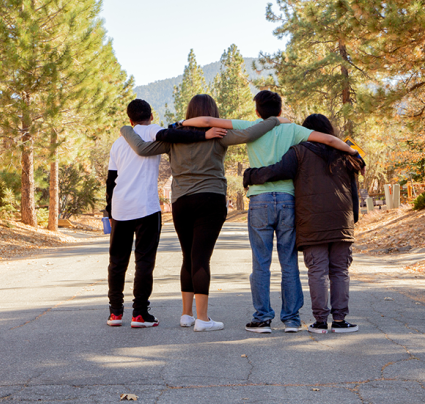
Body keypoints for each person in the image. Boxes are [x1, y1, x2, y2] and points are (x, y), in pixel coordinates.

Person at [177, 91, 357, 334]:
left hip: (259, 200)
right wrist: (354, 153)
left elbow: (208, 121)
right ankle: (291, 319)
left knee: (260, 263)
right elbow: (328, 140)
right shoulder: (293, 129)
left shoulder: (252, 126)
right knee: (288, 262)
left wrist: (182, 123)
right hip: (287, 201)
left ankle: (262, 319)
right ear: (281, 111)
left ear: (257, 112)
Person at [119, 94, 284, 332]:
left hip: (181, 201)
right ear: (211, 113)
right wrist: (275, 121)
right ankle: (203, 319)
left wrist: (127, 128)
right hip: (211, 199)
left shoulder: (175, 137)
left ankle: (187, 315)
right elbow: (250, 133)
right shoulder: (218, 133)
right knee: (201, 258)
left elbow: (142, 148)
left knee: (188, 256)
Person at [105, 99, 224, 328]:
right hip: (146, 207)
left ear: (130, 119)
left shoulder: (119, 143)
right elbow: (179, 136)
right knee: (144, 261)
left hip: (120, 207)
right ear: (151, 115)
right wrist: (205, 135)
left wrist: (109, 210)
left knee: (117, 261)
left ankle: (115, 313)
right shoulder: (154, 130)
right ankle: (139, 314)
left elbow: (111, 180)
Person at [243, 113, 365, 333]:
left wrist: (251, 175)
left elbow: (276, 171)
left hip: (312, 222)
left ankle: (319, 322)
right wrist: (353, 218)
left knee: (317, 271)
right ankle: (340, 321)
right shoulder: (345, 153)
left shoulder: (299, 152)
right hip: (341, 221)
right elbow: (353, 188)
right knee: (340, 271)